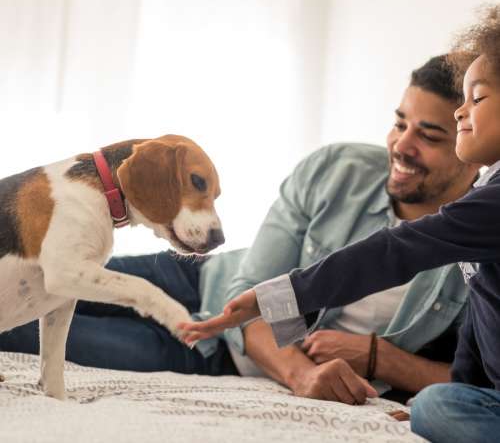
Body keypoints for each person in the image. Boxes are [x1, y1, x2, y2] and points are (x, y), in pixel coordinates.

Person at [0, 56, 479, 405]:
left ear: (470, 137)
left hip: (211, 351)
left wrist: (381, 360)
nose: (402, 145)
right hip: (197, 277)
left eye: (430, 136)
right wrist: (298, 373)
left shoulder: (478, 244)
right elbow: (248, 289)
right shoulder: (337, 169)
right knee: (37, 277)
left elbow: (479, 381)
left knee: (14, 335)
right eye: (399, 124)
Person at [180, 3, 500, 442]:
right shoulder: (485, 191)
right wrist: (461, 392)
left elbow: (393, 251)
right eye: (461, 102)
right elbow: (479, 327)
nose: (463, 113)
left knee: (435, 405)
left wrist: (278, 298)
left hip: (225, 332)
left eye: (476, 99)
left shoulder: (491, 204)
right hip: (205, 284)